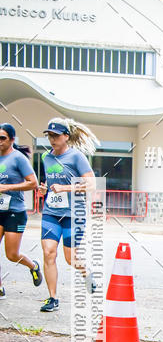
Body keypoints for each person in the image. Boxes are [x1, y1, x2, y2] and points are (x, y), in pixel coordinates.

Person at [38, 118, 97, 312]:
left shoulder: (76, 157)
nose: (52, 139)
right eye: (49, 136)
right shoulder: (46, 157)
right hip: (51, 213)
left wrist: (64, 188)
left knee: (71, 258)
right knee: (49, 253)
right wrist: (45, 189)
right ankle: (52, 298)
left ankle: (86, 273)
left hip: (73, 214)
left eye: (56, 136)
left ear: (66, 136)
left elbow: (91, 185)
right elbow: (50, 184)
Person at [0, 124, 42, 297]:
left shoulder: (18, 158)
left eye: (2, 138)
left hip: (14, 212)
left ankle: (33, 266)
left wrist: (7, 187)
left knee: (11, 254)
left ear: (11, 139)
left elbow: (33, 183)